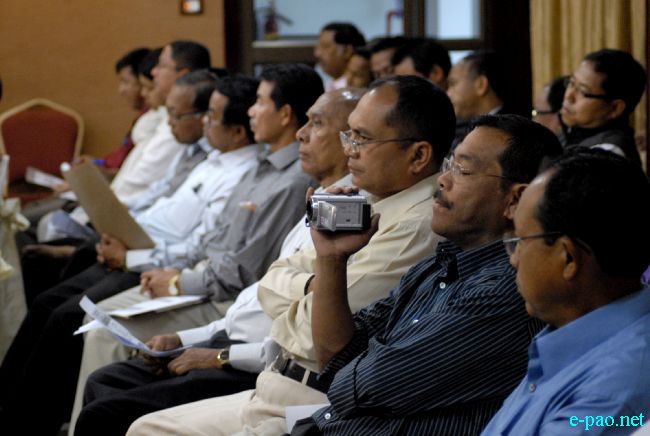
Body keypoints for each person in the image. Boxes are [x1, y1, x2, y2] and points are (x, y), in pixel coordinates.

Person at [125, 82, 547, 436]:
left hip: (320, 405)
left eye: (464, 171)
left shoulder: (491, 285)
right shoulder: (440, 261)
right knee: (143, 426)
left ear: (515, 200)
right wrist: (329, 262)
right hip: (296, 391)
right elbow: (333, 345)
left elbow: (364, 380)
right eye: (450, 164)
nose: (445, 181)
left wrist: (326, 321)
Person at [74, 87, 365, 436]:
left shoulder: (340, 209)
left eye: (316, 124)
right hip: (227, 327)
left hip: (257, 360)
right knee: (105, 378)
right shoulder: (311, 193)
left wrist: (216, 351)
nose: (302, 133)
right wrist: (185, 337)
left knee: (109, 398)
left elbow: (267, 302)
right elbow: (252, 294)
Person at [0, 69, 221, 436]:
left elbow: (200, 248)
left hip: (154, 262)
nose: (168, 121)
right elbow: (156, 199)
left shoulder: (231, 171)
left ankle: (26, 420)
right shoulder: (196, 155)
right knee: (47, 301)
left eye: (176, 114)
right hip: (135, 243)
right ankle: (9, 403)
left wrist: (131, 254)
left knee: (68, 317)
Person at [482, 148, 650, 435]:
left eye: (520, 241)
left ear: (568, 258)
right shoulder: (570, 338)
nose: (513, 259)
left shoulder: (614, 388)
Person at [110, 40, 211, 203]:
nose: (154, 72)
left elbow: (142, 180)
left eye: (162, 66)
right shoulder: (162, 116)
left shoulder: (184, 127)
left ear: (183, 75)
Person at [559, 48, 646, 166]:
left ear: (615, 108)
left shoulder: (607, 153)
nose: (568, 95)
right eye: (571, 83)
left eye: (583, 92)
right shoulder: (570, 133)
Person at [447, 50, 511, 147]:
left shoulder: (509, 131)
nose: (448, 93)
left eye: (453, 83)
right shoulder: (463, 129)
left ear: (481, 85)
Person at [314, 22, 366, 91]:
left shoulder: (354, 87)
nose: (317, 54)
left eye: (325, 47)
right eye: (318, 47)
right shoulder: (327, 83)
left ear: (347, 51)